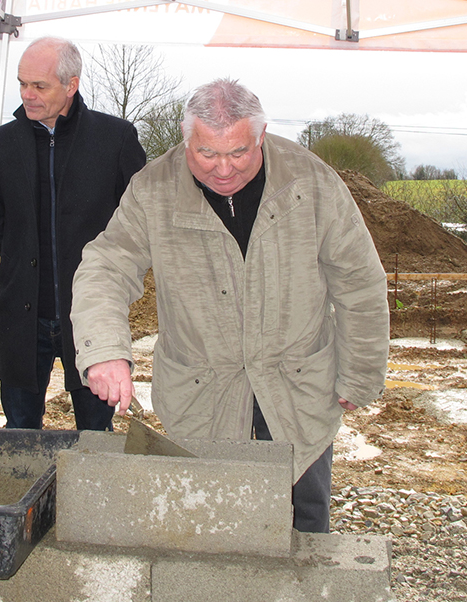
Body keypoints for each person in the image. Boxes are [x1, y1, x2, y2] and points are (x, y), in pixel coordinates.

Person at [71, 78, 389, 533]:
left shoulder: (312, 182)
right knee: (209, 527)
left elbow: (358, 282)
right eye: (206, 154)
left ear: (260, 136)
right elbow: (105, 266)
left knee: (305, 521)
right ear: (186, 140)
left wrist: (359, 372)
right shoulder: (153, 189)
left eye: (238, 153)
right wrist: (103, 348)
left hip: (298, 389)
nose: (223, 170)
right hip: (202, 396)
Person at [0, 36, 146, 431]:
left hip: (90, 318)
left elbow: (137, 222)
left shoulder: (115, 139)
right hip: (22, 315)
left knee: (95, 437)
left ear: (71, 84)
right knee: (20, 431)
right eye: (22, 84)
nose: (27, 95)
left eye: (39, 86)